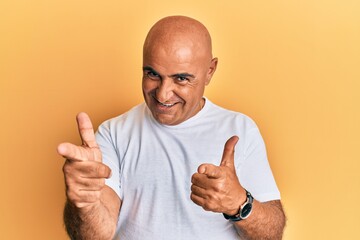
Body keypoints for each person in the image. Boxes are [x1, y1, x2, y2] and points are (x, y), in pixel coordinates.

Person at [57, 16, 286, 240]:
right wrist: (85, 203)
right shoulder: (113, 133)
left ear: (210, 71)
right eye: (152, 74)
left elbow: (272, 233)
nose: (163, 94)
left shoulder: (240, 129)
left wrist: (239, 204)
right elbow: (96, 235)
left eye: (181, 79)